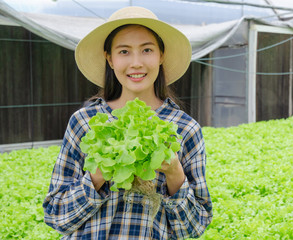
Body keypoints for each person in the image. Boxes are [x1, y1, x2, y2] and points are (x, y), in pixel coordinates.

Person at [43, 6, 213, 240]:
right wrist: (98, 175)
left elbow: (195, 228)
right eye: (124, 51)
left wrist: (175, 174)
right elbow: (56, 215)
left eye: (146, 50)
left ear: (160, 55)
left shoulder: (184, 128)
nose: (136, 63)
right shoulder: (85, 122)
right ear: (109, 59)